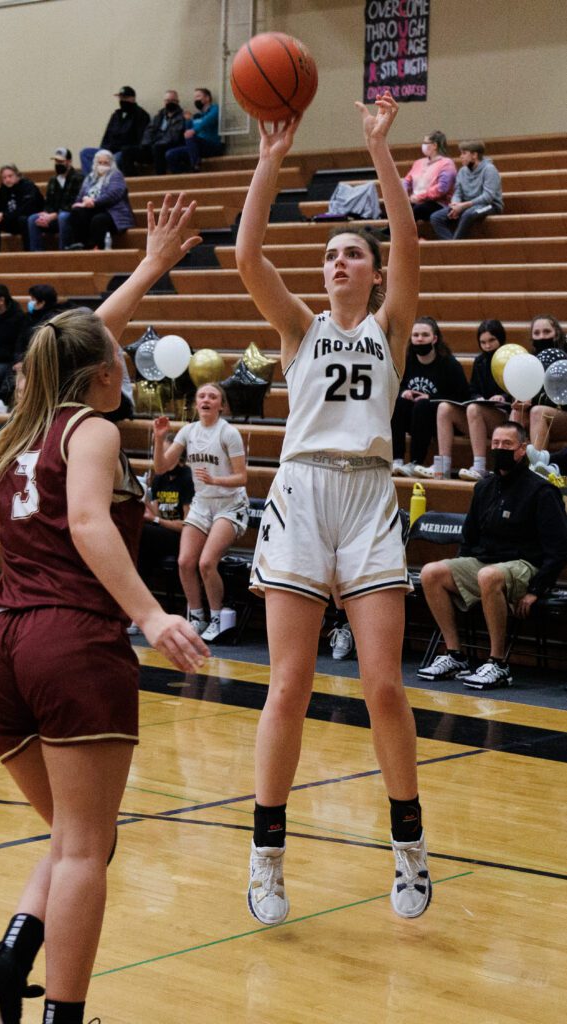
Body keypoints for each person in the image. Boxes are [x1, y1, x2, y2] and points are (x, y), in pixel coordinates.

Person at [0, 194, 208, 1024]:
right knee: (85, 849)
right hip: (71, 641)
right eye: (120, 356)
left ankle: (7, 961)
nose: (127, 360)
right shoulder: (92, 429)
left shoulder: (23, 430)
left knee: (77, 838)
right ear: (103, 374)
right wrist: (150, 615)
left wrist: (148, 268)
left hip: (1, 648)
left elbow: (75, 343)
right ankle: (63, 1013)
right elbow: (93, 524)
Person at [235, 91, 432, 925]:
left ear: (372, 269)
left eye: (352, 253)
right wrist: (271, 161)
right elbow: (247, 256)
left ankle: (410, 849)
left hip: (365, 494)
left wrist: (379, 149)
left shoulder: (389, 325)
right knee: (290, 682)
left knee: (383, 687)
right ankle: (266, 856)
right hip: (301, 490)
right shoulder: (297, 328)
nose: (339, 263)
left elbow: (409, 243)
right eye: (332, 256)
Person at [418, 421, 567, 689]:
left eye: (507, 444)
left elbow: (558, 549)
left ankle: (498, 663)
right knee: (432, 572)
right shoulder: (484, 487)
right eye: (496, 444)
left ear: (522, 449)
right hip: (487, 563)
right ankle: (454, 655)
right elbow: (469, 538)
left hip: (525, 564)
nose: (500, 449)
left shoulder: (542, 490)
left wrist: (536, 590)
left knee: (488, 575)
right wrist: (460, 566)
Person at [152, 383, 249, 642]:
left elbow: (242, 477)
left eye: (212, 396)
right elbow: (161, 467)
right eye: (202, 396)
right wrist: (159, 439)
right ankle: (197, 616)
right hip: (202, 503)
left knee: (207, 562)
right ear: (196, 404)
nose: (206, 399)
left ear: (221, 405)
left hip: (230, 504)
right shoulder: (188, 431)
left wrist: (216, 481)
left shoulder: (228, 433)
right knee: (185, 562)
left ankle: (217, 617)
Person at [418, 319, 511, 481]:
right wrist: (478, 397)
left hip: (504, 417)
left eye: (491, 341)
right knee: (444, 408)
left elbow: (516, 391)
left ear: (501, 339)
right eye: (483, 342)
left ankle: (479, 466)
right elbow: (473, 389)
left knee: (473, 409)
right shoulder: (480, 362)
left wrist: (502, 397)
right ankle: (443, 464)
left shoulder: (510, 360)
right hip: (481, 415)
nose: (487, 346)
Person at [128, 436, 195, 635]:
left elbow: (186, 525)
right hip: (160, 536)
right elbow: (155, 514)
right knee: (142, 546)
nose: (160, 457)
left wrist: (156, 520)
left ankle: (137, 611)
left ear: (177, 455)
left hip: (183, 538)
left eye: (164, 453)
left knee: (143, 537)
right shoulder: (159, 479)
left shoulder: (187, 478)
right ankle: (138, 612)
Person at [391, 316, 469, 476]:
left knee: (423, 405)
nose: (420, 339)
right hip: (412, 419)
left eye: (425, 335)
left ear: (434, 338)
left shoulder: (449, 364)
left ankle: (415, 462)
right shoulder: (406, 361)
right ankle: (396, 459)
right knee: (399, 402)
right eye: (416, 335)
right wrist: (403, 391)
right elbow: (394, 386)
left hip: (439, 420)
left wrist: (431, 398)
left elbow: (462, 397)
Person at [430, 140, 503, 241]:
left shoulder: (489, 169)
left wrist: (463, 206)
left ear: (474, 155)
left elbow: (488, 197)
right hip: (467, 205)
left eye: (464, 153)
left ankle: (454, 246)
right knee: (436, 217)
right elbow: (458, 192)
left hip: (490, 205)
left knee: (468, 214)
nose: (461, 156)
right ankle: (450, 245)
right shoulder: (462, 171)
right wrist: (455, 203)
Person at [516, 315, 567, 451]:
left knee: (537, 412)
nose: (542, 337)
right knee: (517, 413)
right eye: (537, 333)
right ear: (532, 338)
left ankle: (537, 467)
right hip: (541, 418)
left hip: (562, 414)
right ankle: (509, 467)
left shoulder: (564, 359)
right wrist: (521, 405)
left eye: (546, 331)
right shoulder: (530, 362)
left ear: (556, 334)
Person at [69, 149, 134, 250]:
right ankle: (80, 244)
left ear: (111, 164)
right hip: (92, 209)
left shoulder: (116, 175)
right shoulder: (90, 177)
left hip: (112, 211)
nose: (102, 165)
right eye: (100, 162)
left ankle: (97, 246)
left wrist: (93, 202)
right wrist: (79, 203)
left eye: (105, 163)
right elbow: (80, 196)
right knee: (77, 212)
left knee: (98, 220)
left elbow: (113, 195)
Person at [79, 86, 150, 176]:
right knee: (85, 153)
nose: (121, 101)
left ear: (132, 99)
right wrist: (103, 152)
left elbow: (141, 139)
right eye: (120, 98)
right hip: (109, 150)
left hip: (122, 152)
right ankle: (91, 180)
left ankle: (107, 183)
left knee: (117, 159)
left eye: (124, 98)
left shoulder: (141, 115)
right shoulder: (116, 115)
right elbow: (107, 136)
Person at [28, 149, 84, 252]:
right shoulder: (53, 180)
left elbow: (74, 202)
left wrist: (54, 215)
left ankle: (63, 252)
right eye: (56, 162)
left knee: (63, 217)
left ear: (69, 162)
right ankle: (36, 255)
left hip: (69, 216)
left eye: (61, 162)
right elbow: (49, 202)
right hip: (53, 216)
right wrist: (45, 214)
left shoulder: (78, 178)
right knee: (33, 219)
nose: (58, 164)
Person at [123, 90, 185, 177]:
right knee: (127, 151)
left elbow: (174, 136)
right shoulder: (159, 115)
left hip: (167, 147)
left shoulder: (182, 117)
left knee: (158, 148)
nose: (169, 103)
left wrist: (156, 144)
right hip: (152, 147)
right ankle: (134, 181)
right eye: (167, 100)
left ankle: (160, 179)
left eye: (172, 100)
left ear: (177, 102)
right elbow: (149, 131)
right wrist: (146, 144)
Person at [0, 164, 44, 252]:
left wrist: (3, 216)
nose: (7, 180)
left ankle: (28, 252)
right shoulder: (3, 189)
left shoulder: (27, 186)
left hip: (30, 220)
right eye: (4, 178)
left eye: (10, 176)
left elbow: (25, 209)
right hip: (12, 219)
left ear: (17, 175)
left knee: (23, 219)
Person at [166, 88, 224, 173]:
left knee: (191, 136)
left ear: (207, 98)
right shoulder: (196, 116)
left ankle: (195, 166)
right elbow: (187, 132)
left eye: (198, 96)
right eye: (194, 97)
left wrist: (194, 130)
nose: (195, 99)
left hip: (212, 145)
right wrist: (188, 121)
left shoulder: (215, 108)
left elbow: (207, 121)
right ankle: (182, 177)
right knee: (170, 154)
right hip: (197, 148)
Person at [402, 130, 456, 223]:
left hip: (437, 203)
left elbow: (441, 189)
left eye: (425, 143)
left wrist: (420, 197)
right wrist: (405, 192)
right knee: (399, 208)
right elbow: (407, 180)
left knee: (418, 209)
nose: (423, 145)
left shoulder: (447, 164)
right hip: (416, 200)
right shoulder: (419, 162)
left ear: (435, 145)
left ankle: (387, 234)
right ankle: (386, 233)